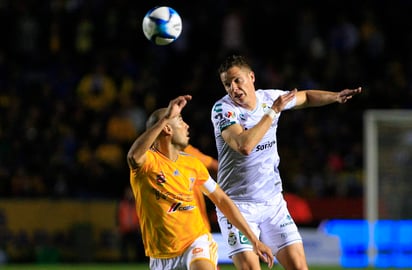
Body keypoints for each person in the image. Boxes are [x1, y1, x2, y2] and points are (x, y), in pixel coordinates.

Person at [210, 54, 362, 270]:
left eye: (237, 80)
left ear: (251, 77)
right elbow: (244, 146)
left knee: (300, 267)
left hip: (272, 204)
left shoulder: (269, 98)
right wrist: (273, 112)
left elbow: (306, 96)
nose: (233, 88)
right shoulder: (223, 110)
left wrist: (336, 96)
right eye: (227, 84)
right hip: (237, 206)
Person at [126, 94, 274, 270]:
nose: (187, 126)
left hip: (195, 242)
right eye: (180, 121)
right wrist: (166, 117)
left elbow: (222, 200)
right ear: (166, 128)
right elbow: (133, 157)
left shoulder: (192, 163)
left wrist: (254, 240)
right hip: (161, 256)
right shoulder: (149, 162)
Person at [117, 186, 146, 262]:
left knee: (138, 246)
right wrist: (119, 227)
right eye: (128, 192)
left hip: (135, 229)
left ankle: (139, 260)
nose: (129, 194)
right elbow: (118, 216)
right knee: (124, 247)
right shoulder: (122, 204)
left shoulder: (137, 204)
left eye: (130, 192)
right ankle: (124, 261)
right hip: (124, 229)